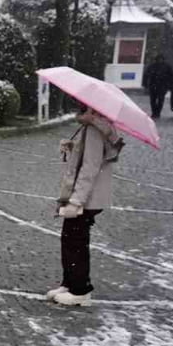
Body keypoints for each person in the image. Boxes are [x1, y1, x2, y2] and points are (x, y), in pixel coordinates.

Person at [47, 108, 123, 306]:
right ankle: (69, 283)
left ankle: (80, 290)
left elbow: (90, 166)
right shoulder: (94, 126)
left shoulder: (94, 128)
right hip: (87, 195)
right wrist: (73, 147)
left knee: (75, 242)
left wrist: (76, 200)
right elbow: (90, 155)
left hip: (86, 197)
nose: (79, 106)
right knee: (70, 238)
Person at [142, 54, 173, 119]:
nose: (160, 60)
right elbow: (146, 75)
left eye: (161, 59)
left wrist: (170, 84)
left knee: (160, 100)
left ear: (163, 59)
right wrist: (145, 84)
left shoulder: (167, 66)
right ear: (156, 59)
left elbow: (172, 75)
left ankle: (158, 113)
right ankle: (154, 112)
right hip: (153, 85)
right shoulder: (152, 66)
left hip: (163, 86)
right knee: (153, 100)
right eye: (158, 59)